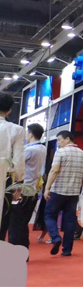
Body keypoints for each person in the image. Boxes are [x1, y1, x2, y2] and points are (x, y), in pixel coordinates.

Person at [43, 131, 83, 256]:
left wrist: (47, 188)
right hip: (74, 193)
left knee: (49, 216)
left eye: (59, 140)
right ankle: (67, 250)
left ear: (67, 139)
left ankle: (55, 238)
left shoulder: (61, 152)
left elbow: (54, 170)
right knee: (70, 221)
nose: (58, 143)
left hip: (57, 190)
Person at [6, 124, 47, 249]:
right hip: (32, 190)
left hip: (21, 190)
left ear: (30, 134)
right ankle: (23, 251)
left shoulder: (29, 150)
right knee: (22, 223)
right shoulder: (42, 148)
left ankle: (15, 250)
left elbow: (15, 165)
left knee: (15, 223)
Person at [0, 92, 26, 241]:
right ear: (9, 110)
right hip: (5, 179)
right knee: (3, 218)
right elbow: (19, 159)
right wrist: (18, 183)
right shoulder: (16, 130)